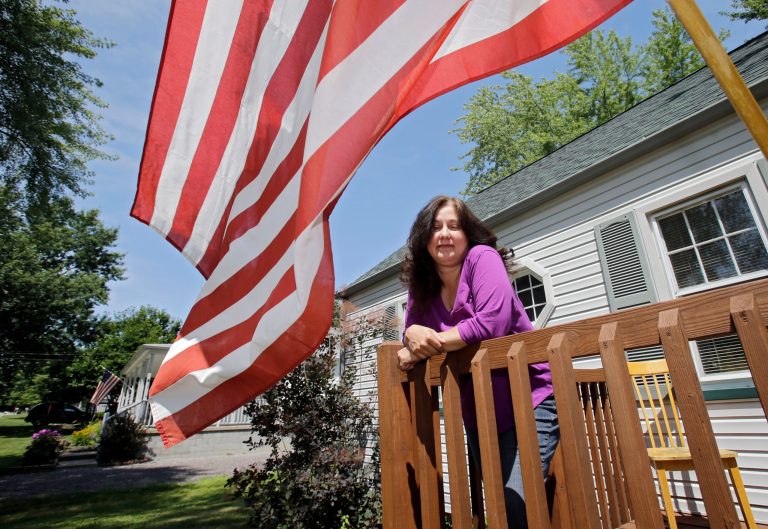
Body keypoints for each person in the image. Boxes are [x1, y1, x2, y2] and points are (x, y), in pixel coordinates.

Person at [397, 195, 559, 529]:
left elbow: (491, 323)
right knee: (498, 502)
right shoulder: (422, 286)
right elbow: (409, 333)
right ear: (423, 238)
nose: (444, 234)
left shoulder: (481, 258)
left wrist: (430, 342)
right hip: (477, 411)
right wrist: (411, 333)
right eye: (435, 227)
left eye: (453, 226)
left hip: (530, 398)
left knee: (517, 501)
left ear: (467, 233)